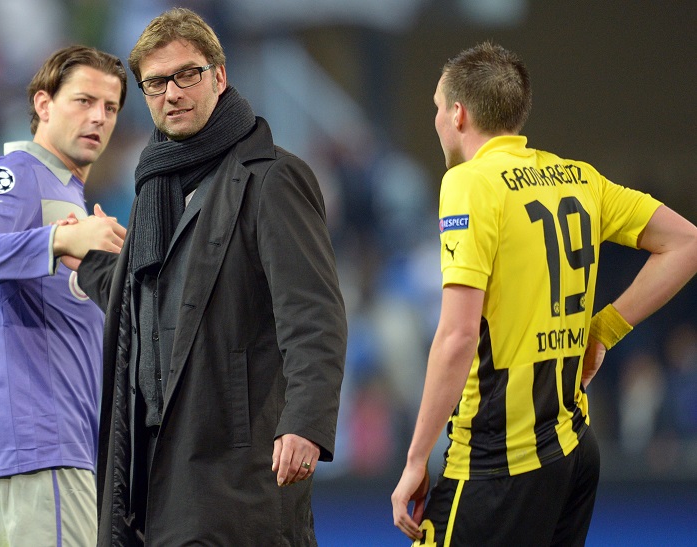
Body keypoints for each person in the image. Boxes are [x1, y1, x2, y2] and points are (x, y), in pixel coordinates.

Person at [59, 7, 347, 546]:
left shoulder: (272, 178)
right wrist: (93, 261)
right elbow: (146, 304)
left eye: (187, 74)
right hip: (158, 478)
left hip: (241, 478)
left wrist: (307, 421)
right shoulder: (154, 190)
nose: (173, 92)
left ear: (219, 76)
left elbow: (314, 314)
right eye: (157, 82)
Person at [391, 41, 697, 546]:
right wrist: (603, 330)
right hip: (573, 449)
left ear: (459, 113)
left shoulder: (468, 184)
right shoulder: (578, 178)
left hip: (497, 460)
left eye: (437, 108)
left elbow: (459, 334)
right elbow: (685, 242)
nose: (437, 121)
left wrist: (415, 459)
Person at [0, 45, 128, 546]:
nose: (98, 118)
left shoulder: (73, 197)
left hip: (62, 446)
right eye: (83, 101)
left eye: (109, 107)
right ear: (43, 104)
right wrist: (59, 239)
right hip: (42, 441)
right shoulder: (19, 175)